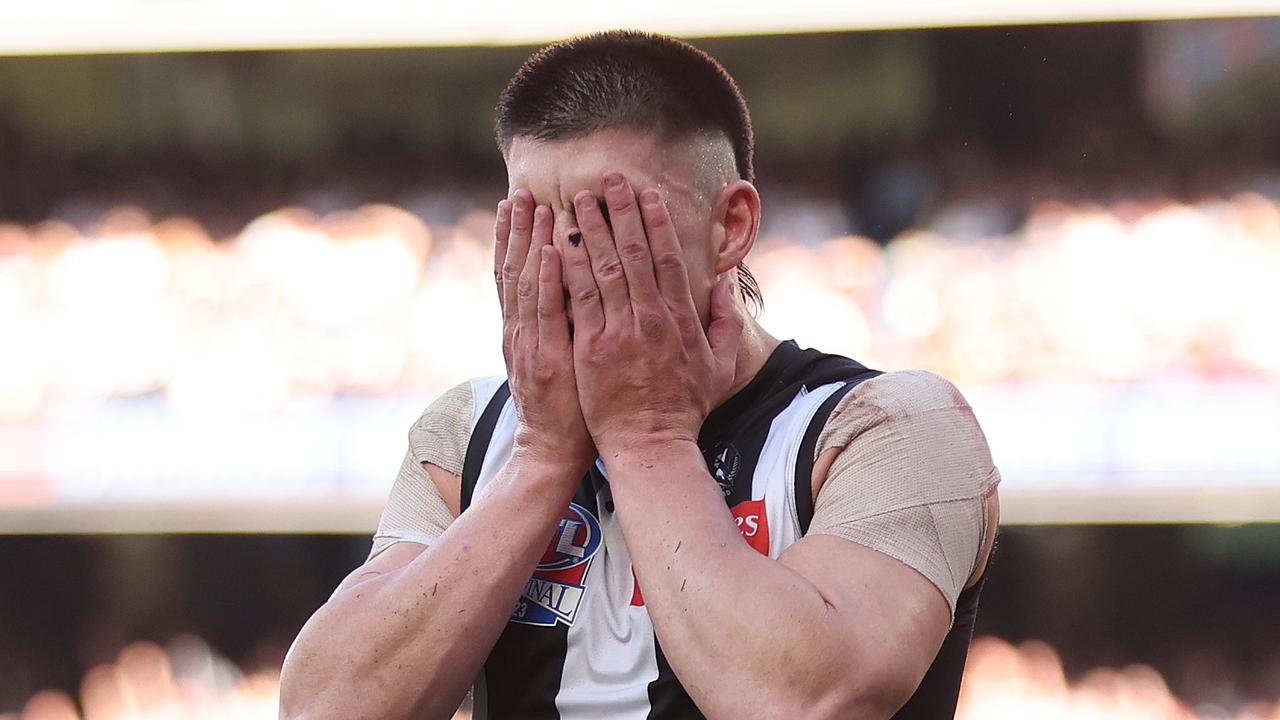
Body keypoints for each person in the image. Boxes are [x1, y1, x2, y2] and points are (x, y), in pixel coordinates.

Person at [279, 30, 1001, 720]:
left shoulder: (890, 428)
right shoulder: (468, 434)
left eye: (605, 218)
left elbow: (803, 700)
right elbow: (322, 707)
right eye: (536, 222)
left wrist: (647, 441)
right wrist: (540, 460)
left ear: (731, 228)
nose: (566, 257)